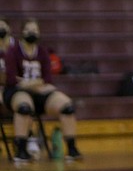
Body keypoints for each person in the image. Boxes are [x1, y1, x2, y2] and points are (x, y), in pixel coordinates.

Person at [3, 18, 83, 162]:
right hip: (16, 92)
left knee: (67, 106)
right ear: (22, 32)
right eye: (28, 30)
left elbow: (48, 80)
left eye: (35, 30)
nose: (31, 33)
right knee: (24, 107)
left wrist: (29, 83)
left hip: (39, 93)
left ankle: (72, 148)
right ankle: (21, 150)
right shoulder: (13, 52)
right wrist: (36, 83)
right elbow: (12, 80)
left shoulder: (43, 52)